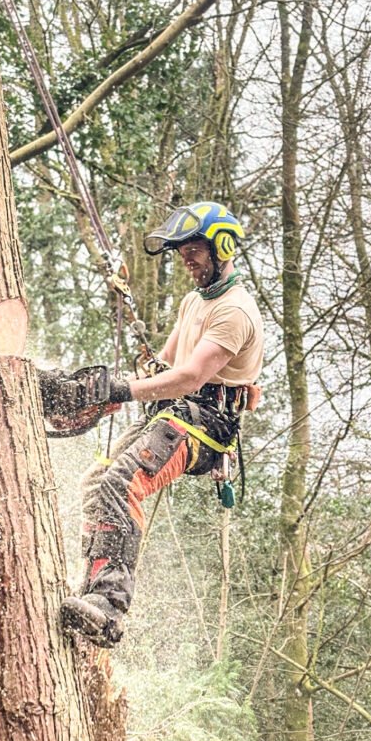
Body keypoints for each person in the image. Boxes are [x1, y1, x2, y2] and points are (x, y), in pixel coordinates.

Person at [60, 200, 264, 647]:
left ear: (221, 246)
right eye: (181, 252)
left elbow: (191, 376)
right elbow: (167, 364)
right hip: (175, 413)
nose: (186, 260)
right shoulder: (194, 301)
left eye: (193, 250)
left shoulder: (235, 311)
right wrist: (131, 383)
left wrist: (121, 390)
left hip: (205, 424)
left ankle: (108, 607)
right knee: (97, 481)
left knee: (121, 483)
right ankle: (90, 586)